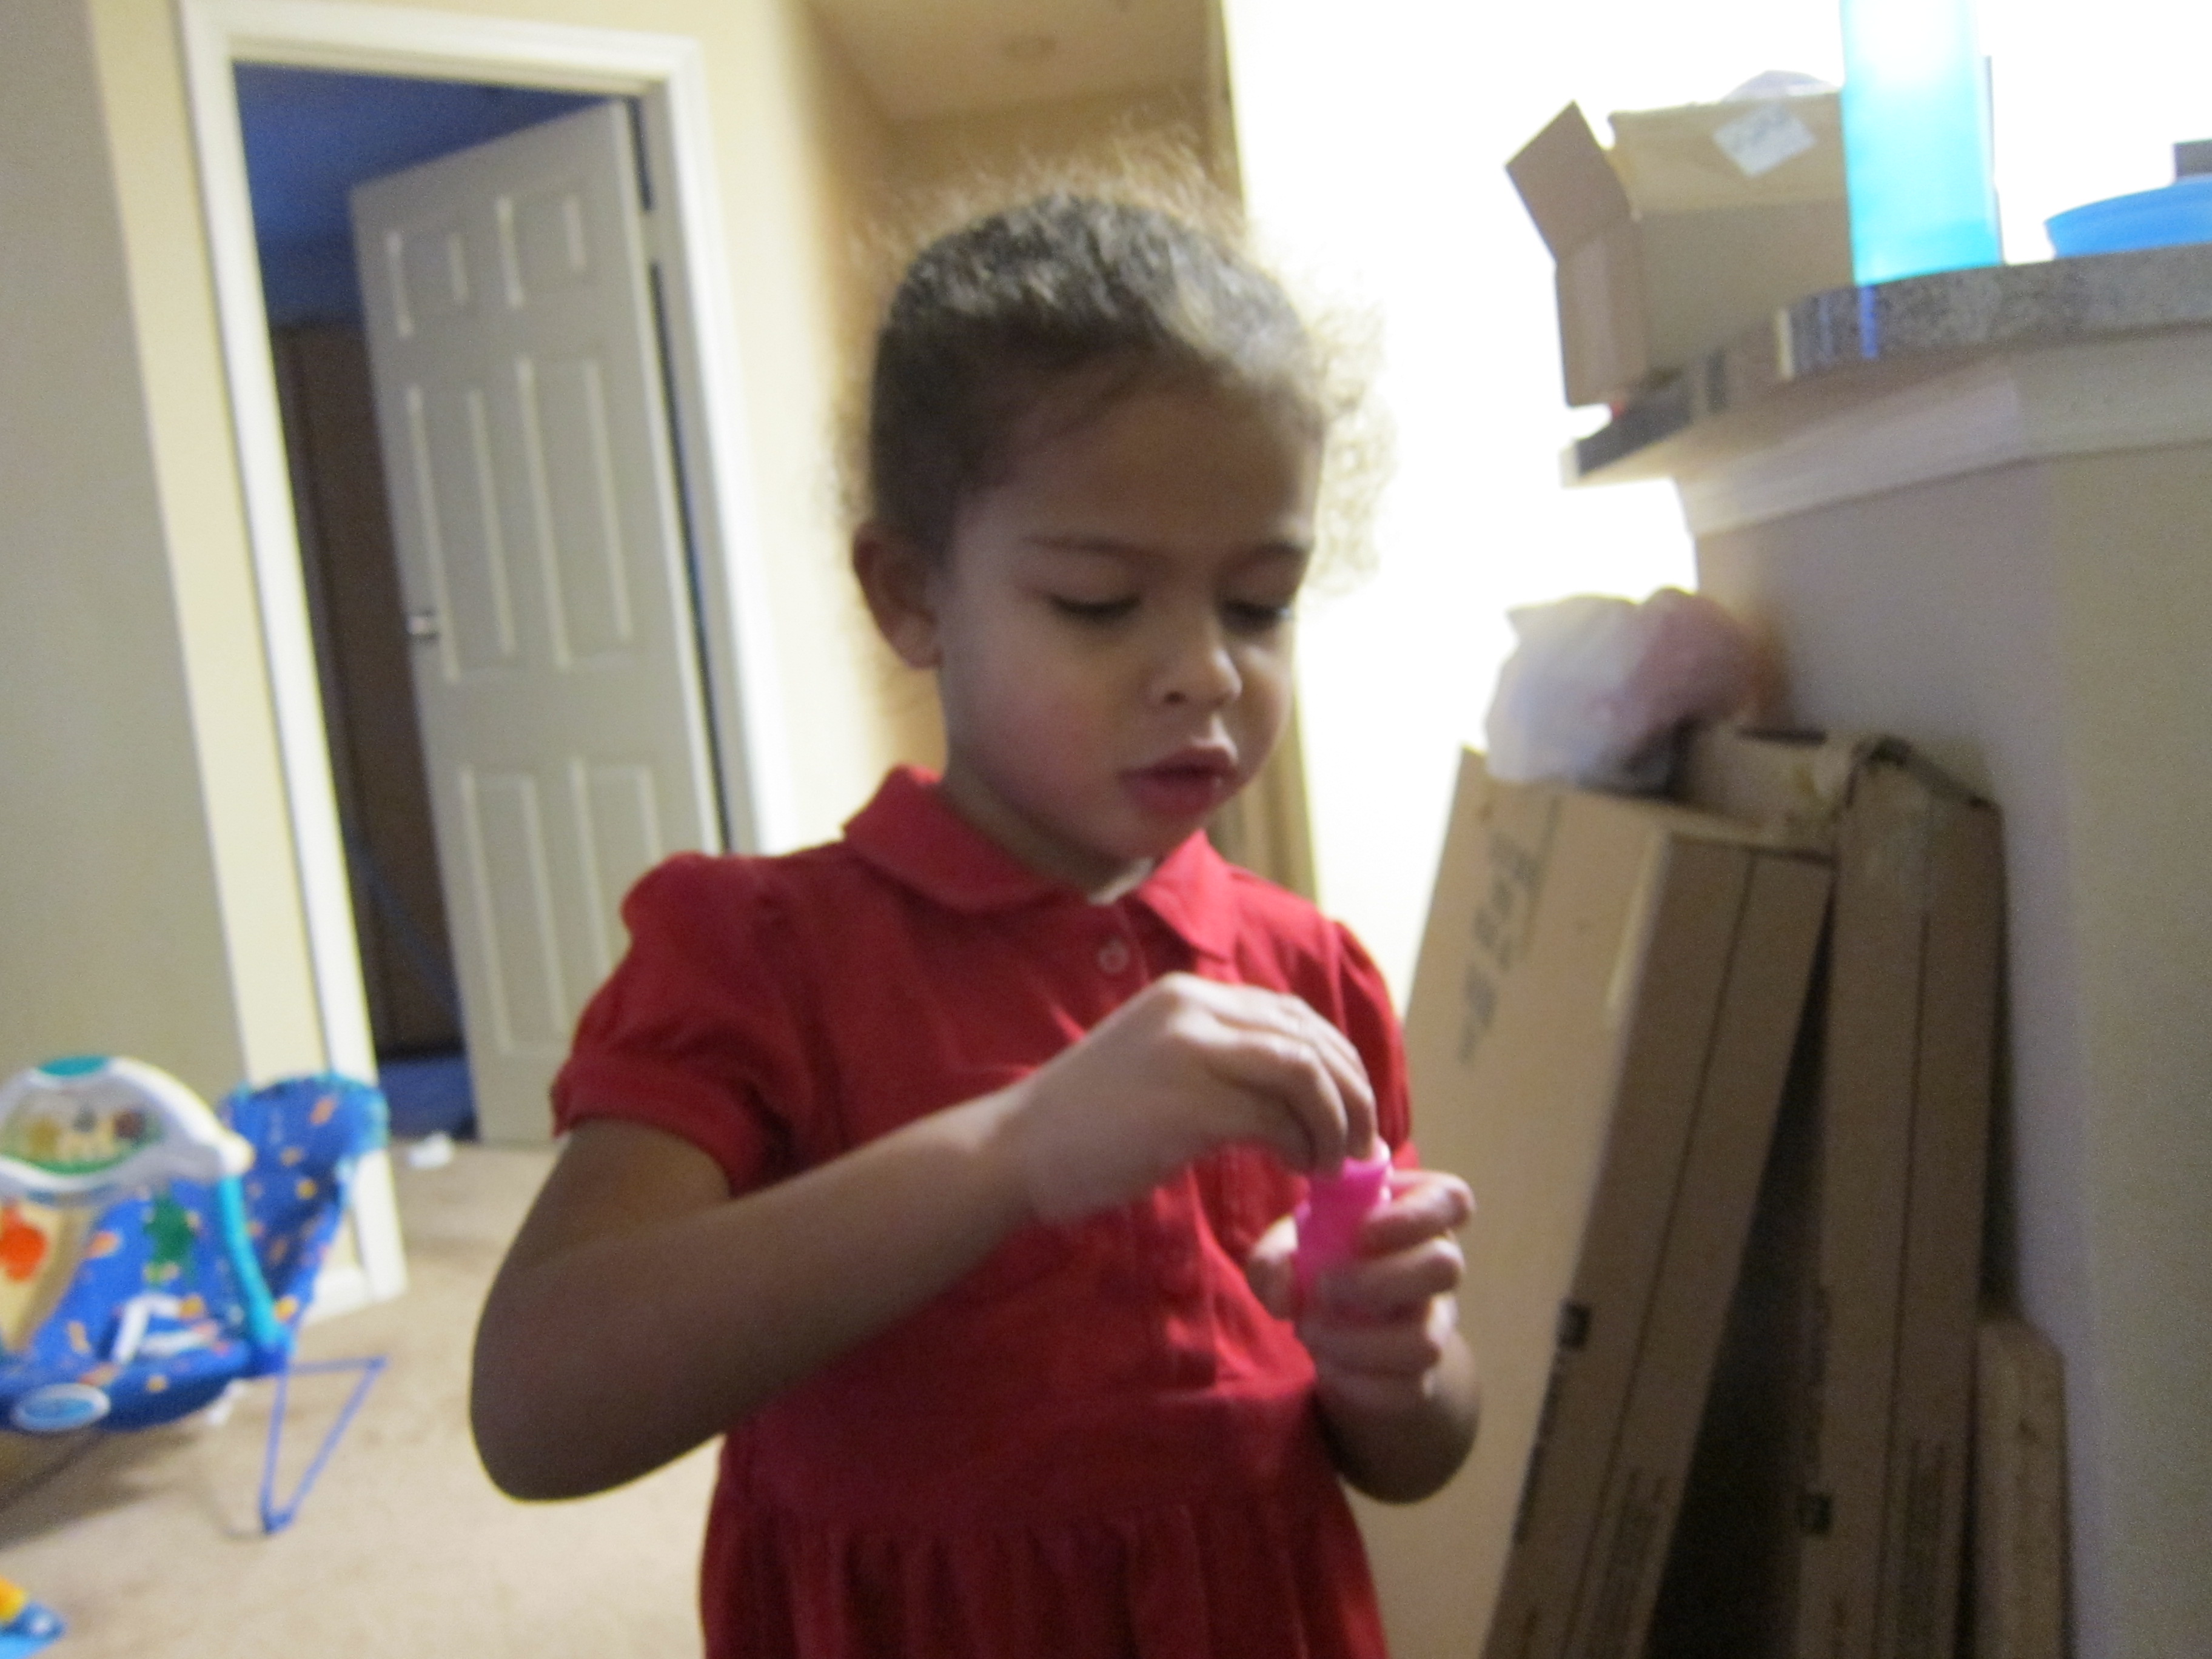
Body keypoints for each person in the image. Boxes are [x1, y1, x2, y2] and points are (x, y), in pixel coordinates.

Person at [471, 189, 1479, 1659]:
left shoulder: (1309, 976)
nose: (1207, 669)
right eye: (1099, 602)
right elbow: (536, 1408)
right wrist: (1017, 1149)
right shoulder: (758, 956)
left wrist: (1402, 1364)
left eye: (1261, 605)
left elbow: (1411, 1455)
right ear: (913, 597)